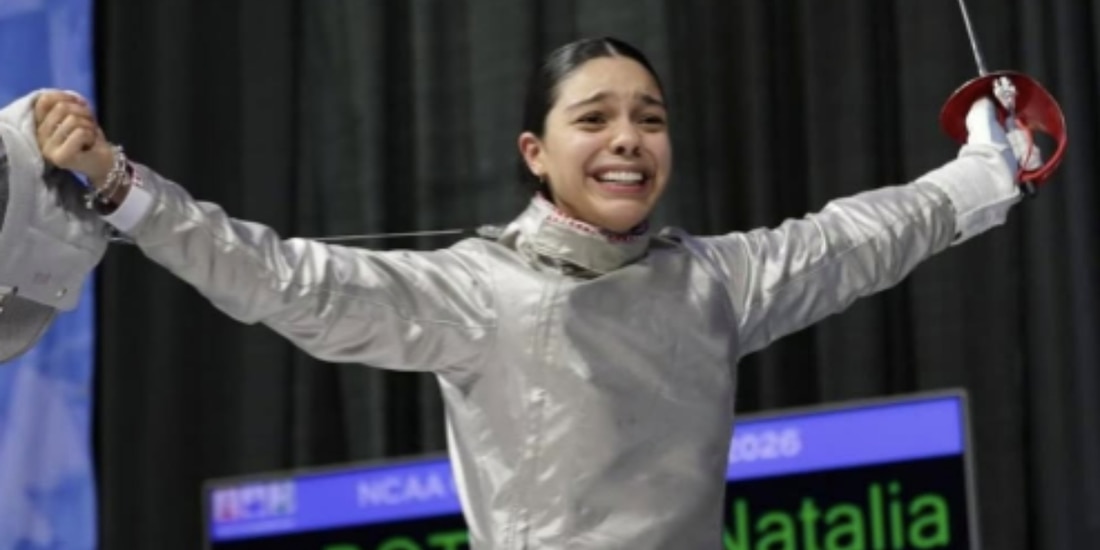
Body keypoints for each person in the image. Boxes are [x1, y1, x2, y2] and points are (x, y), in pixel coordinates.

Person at [20, 36, 1040, 549]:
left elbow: (852, 239)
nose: (627, 139)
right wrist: (119, 188)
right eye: (593, 118)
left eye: (647, 116)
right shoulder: (478, 292)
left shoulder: (712, 281)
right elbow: (284, 278)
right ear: (536, 153)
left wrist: (984, 167)